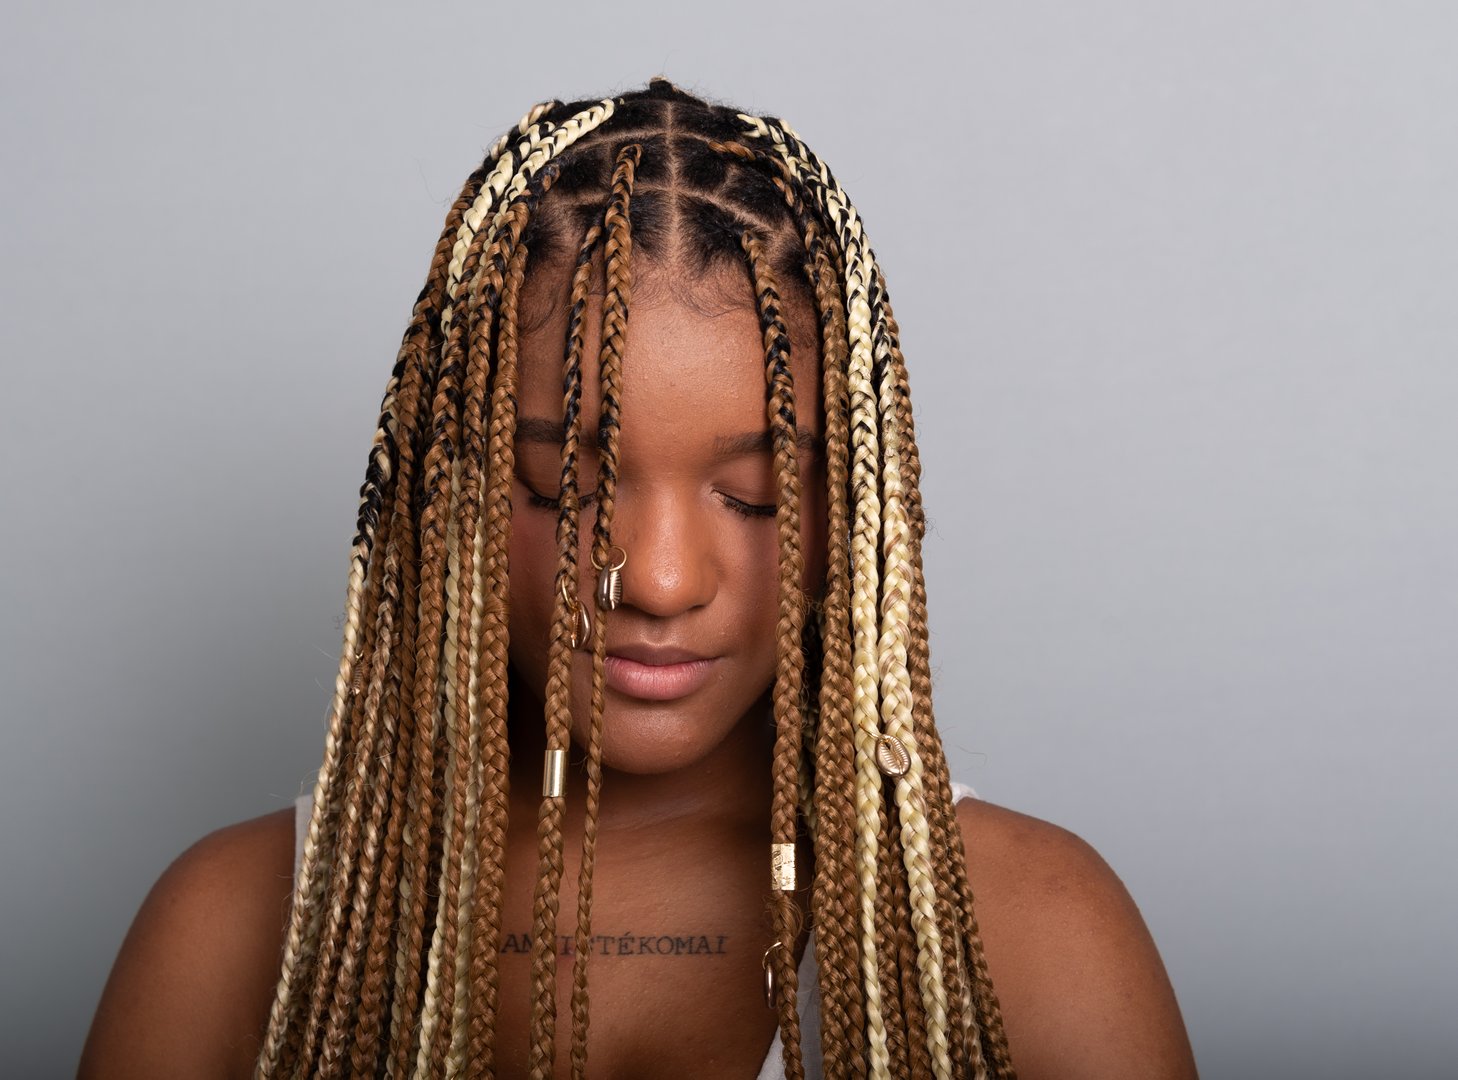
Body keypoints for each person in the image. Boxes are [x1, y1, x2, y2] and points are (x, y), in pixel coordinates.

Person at [79, 78, 1197, 1079]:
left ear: (855, 509)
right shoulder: (232, 939)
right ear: (447, 490)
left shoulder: (1035, 942)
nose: (656, 580)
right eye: (560, 488)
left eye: (755, 497)